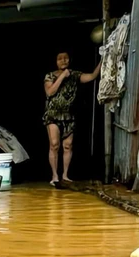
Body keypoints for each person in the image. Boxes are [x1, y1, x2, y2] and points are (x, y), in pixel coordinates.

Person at [43, 51, 100, 186]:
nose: (63, 61)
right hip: (53, 114)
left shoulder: (74, 75)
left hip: (68, 115)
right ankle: (55, 175)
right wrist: (62, 76)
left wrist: (102, 61)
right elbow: (50, 92)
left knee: (67, 146)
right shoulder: (49, 76)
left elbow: (92, 76)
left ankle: (65, 175)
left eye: (66, 58)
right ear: (56, 61)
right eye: (60, 59)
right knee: (54, 145)